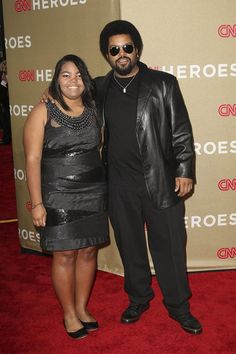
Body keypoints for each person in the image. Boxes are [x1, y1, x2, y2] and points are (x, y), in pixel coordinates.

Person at [95, 20, 202, 335]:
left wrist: (184, 170)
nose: (122, 54)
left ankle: (179, 307)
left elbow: (181, 130)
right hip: (118, 183)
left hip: (160, 179)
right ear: (107, 55)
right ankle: (139, 297)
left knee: (169, 246)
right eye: (114, 50)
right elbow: (68, 96)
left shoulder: (163, 83)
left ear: (137, 49)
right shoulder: (99, 87)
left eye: (127, 47)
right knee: (129, 246)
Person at [24, 54, 109, 339]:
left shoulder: (95, 110)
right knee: (64, 254)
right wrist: (37, 203)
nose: (73, 81)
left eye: (78, 75)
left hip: (93, 191)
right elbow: (33, 159)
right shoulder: (43, 111)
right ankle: (69, 313)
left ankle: (82, 308)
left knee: (87, 251)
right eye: (65, 75)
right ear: (56, 79)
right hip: (57, 194)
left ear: (86, 79)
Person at [0, 60, 11, 144]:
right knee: (5, 121)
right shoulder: (3, 76)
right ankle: (6, 138)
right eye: (2, 67)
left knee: (7, 121)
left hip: (9, 101)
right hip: (4, 102)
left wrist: (5, 83)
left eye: (5, 67)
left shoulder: (10, 76)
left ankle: (7, 139)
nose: (3, 69)